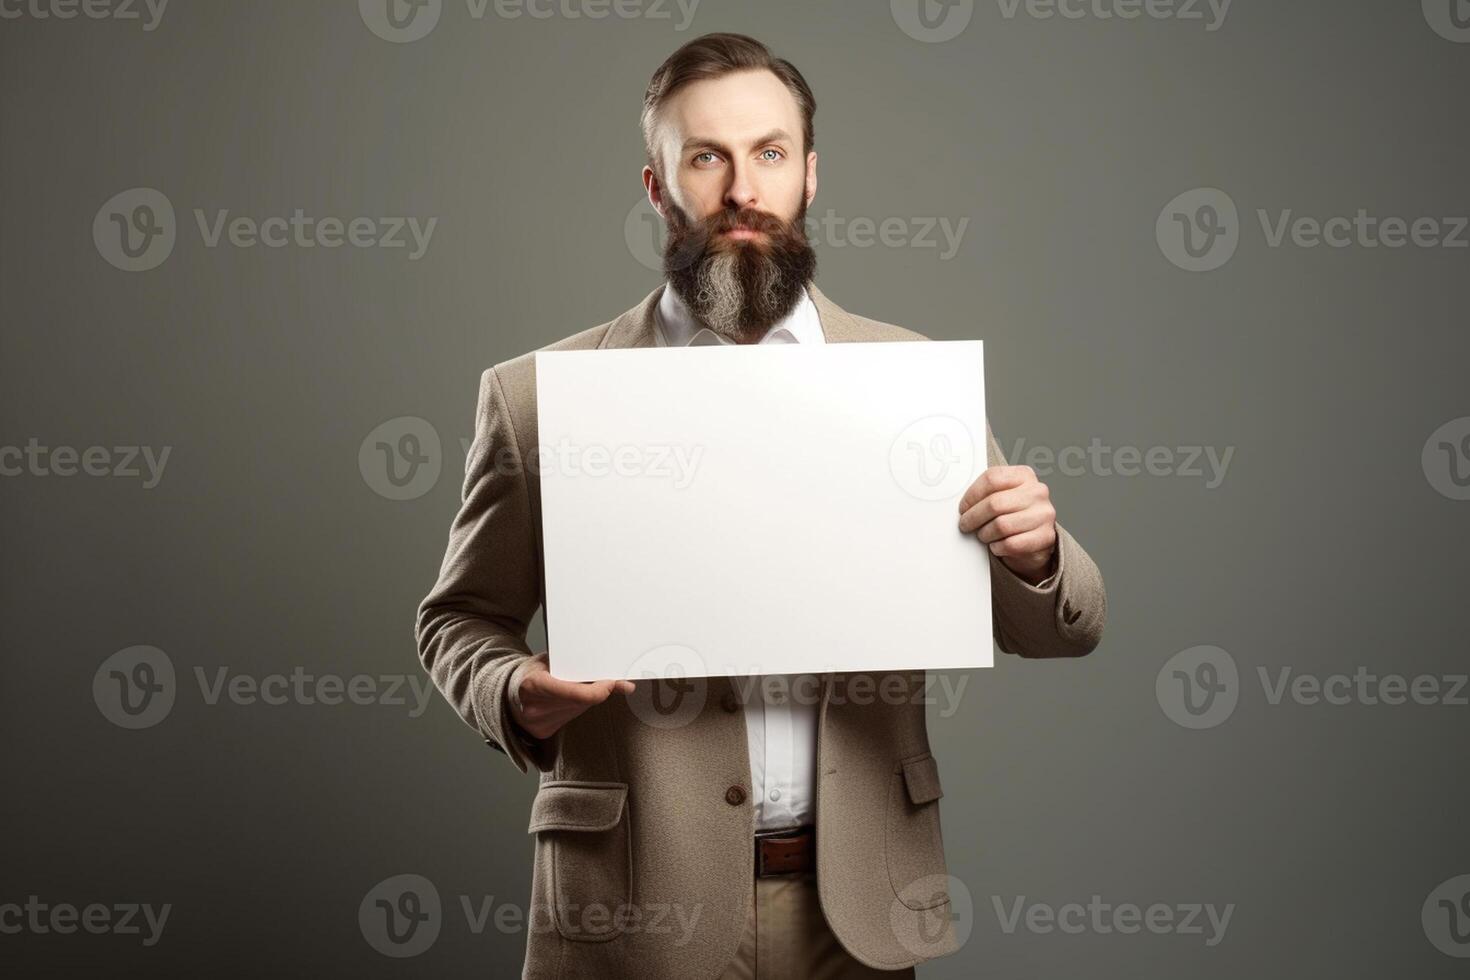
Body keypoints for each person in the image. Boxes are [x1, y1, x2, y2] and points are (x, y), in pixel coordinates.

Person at [415, 32, 1106, 980]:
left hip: (858, 908)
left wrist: (1034, 554)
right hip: (633, 910)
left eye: (770, 153)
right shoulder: (540, 396)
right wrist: (513, 693)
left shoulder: (909, 384)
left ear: (810, 176)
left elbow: (1067, 627)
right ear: (658, 188)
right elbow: (459, 620)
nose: (743, 187)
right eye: (707, 156)